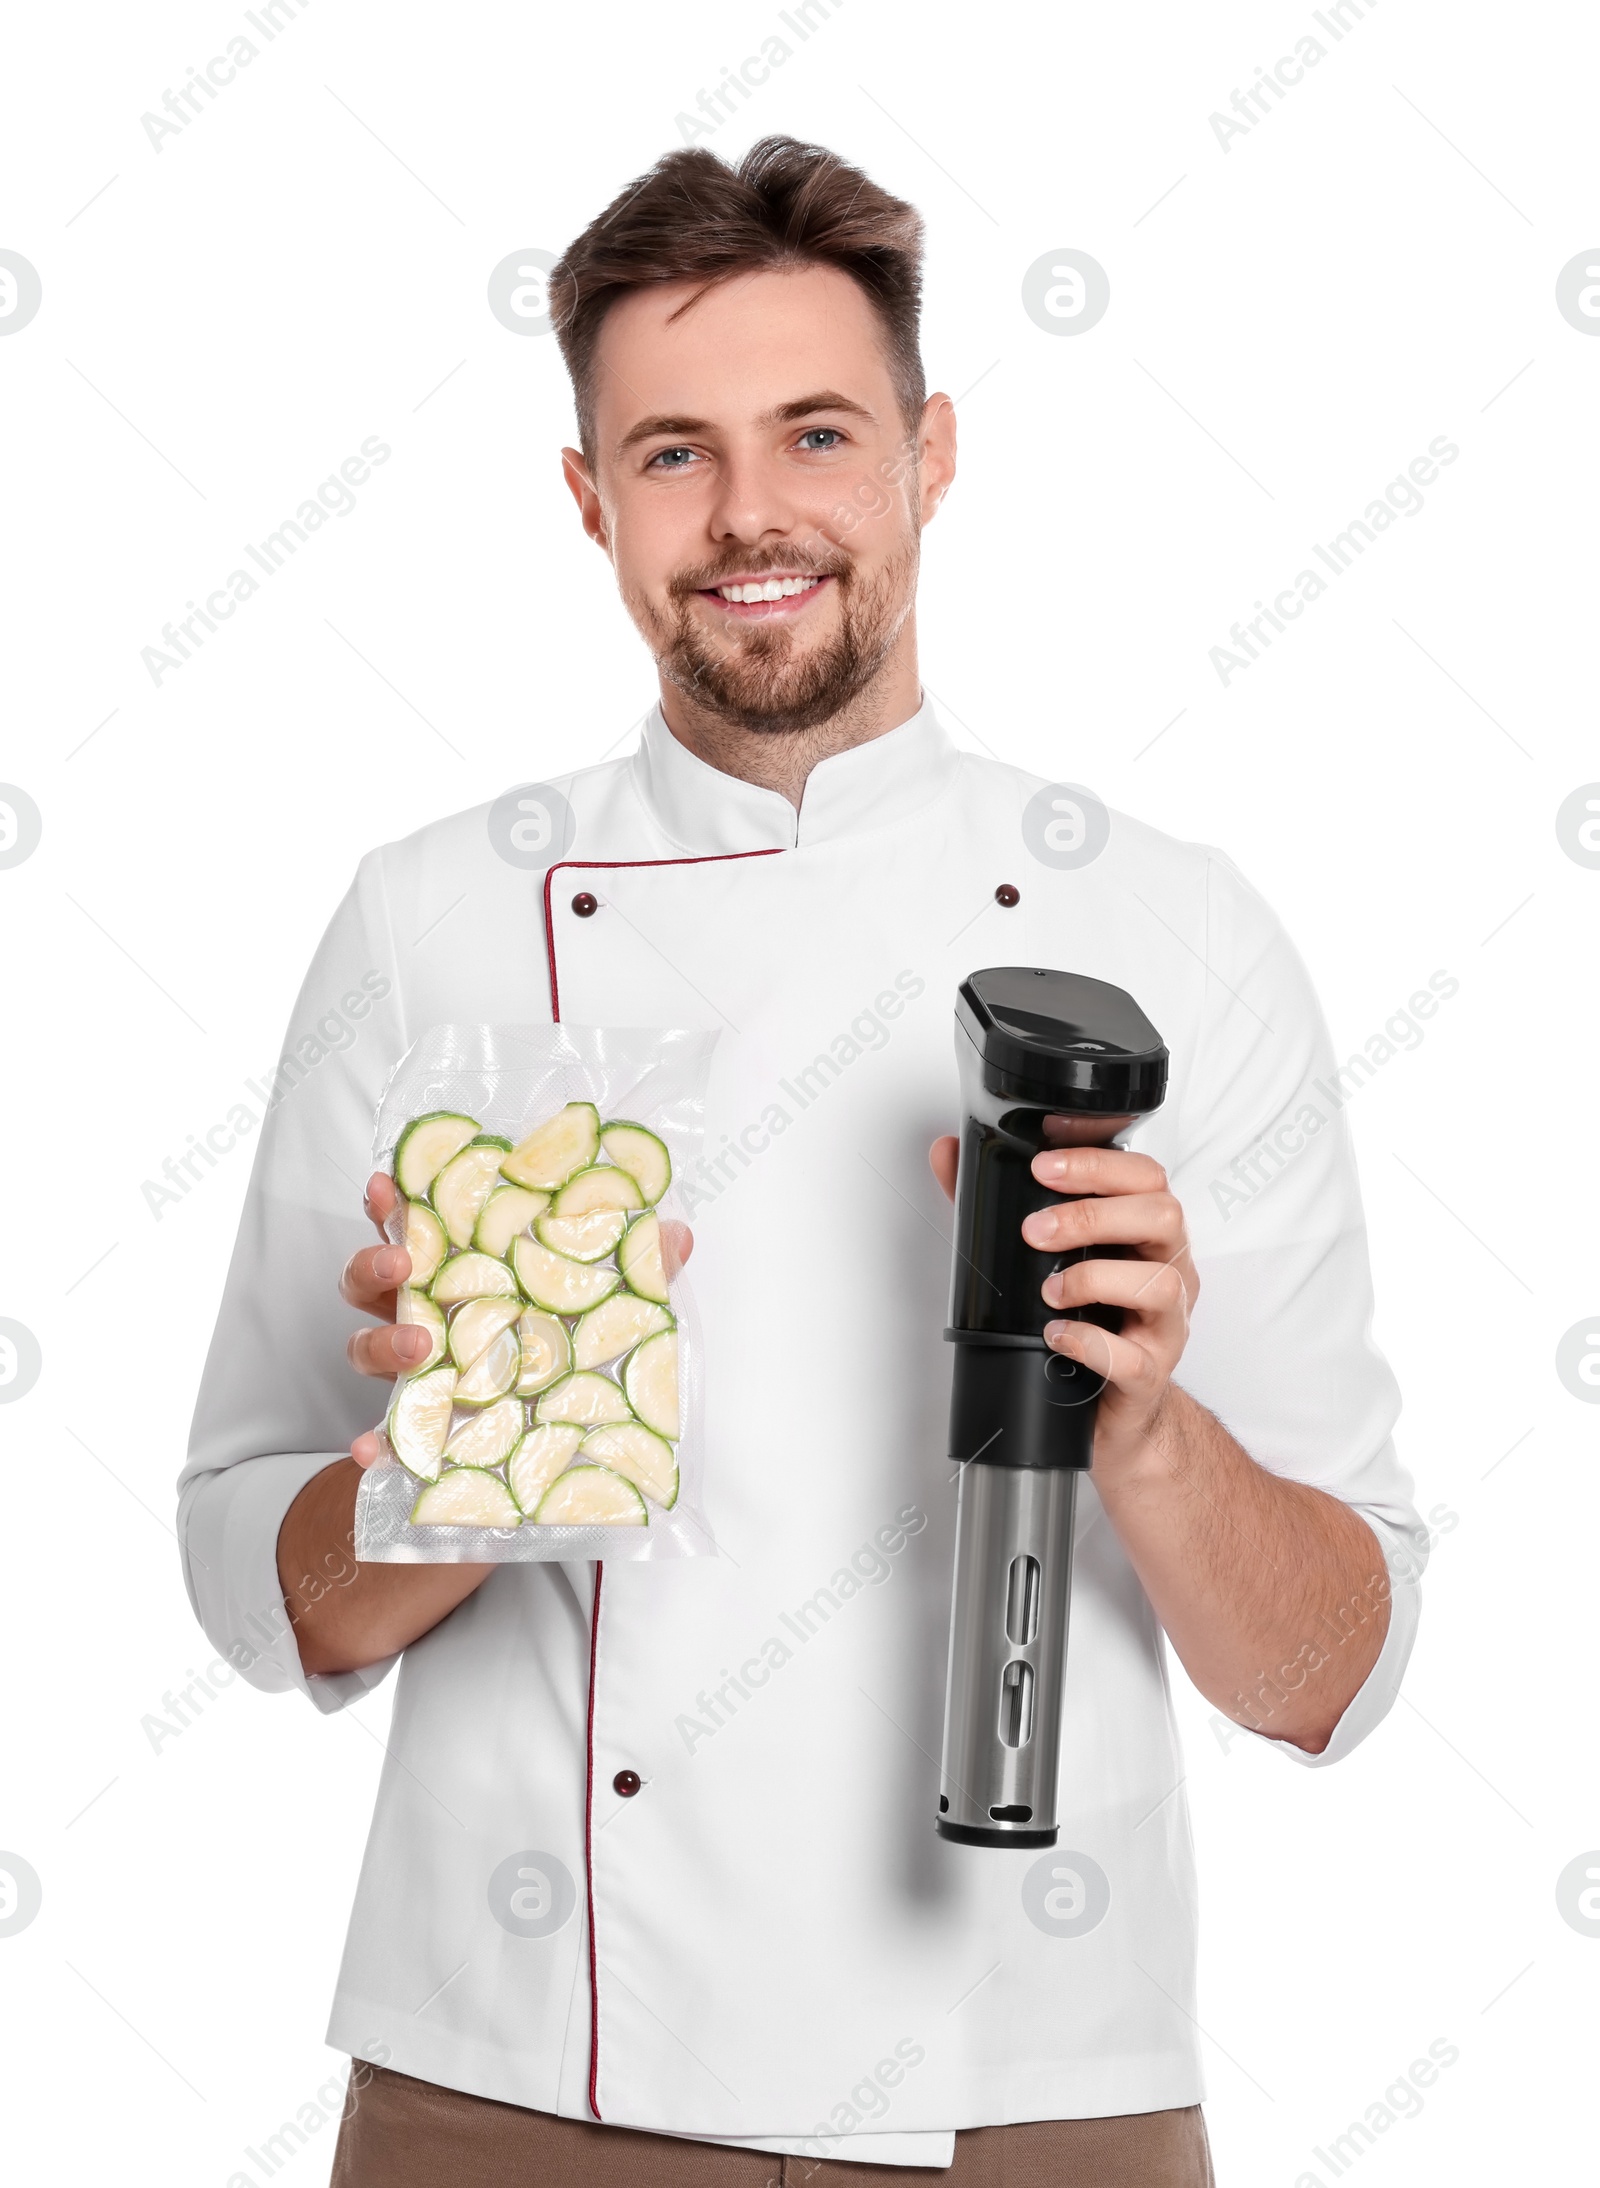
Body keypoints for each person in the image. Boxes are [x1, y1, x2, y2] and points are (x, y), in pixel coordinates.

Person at [178, 136, 1425, 2187]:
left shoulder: (1174, 932)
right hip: (519, 2079)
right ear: (585, 499)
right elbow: (254, 1585)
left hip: (1038, 2084)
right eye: (669, 452)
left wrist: (1146, 1430)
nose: (750, 512)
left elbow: (1332, 1676)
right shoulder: (431, 925)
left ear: (930, 453)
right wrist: (462, 1447)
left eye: (815, 431)